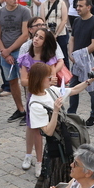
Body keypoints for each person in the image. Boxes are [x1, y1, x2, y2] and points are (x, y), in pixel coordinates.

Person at [27, 61, 91, 188]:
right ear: (39, 80)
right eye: (49, 77)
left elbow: (73, 90)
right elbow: (48, 131)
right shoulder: (35, 105)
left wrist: (89, 80)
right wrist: (55, 110)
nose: (52, 79)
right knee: (58, 184)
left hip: (67, 143)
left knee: (73, 177)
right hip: (56, 150)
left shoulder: (50, 90)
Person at [17, 26, 61, 174]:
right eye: (36, 35)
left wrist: (39, 80)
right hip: (32, 98)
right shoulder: (26, 58)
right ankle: (29, 155)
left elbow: (53, 79)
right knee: (32, 128)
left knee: (41, 129)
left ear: (45, 42)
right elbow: (23, 81)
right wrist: (42, 80)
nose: (36, 39)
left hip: (46, 97)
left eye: (40, 37)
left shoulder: (49, 59)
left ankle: (40, 160)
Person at [0, 0, 31, 123]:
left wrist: (8, 50)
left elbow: (25, 34)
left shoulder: (24, 11)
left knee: (26, 82)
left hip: (21, 51)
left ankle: (30, 111)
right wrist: (4, 52)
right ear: (5, 0)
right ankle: (20, 109)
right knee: (12, 81)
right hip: (5, 53)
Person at [67, 0, 94, 126]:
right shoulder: (76, 21)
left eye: (80, 6)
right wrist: (71, 54)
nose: (78, 8)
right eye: (77, 6)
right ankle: (71, 114)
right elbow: (72, 39)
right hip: (77, 62)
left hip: (92, 62)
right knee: (72, 88)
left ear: (88, 7)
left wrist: (79, 55)